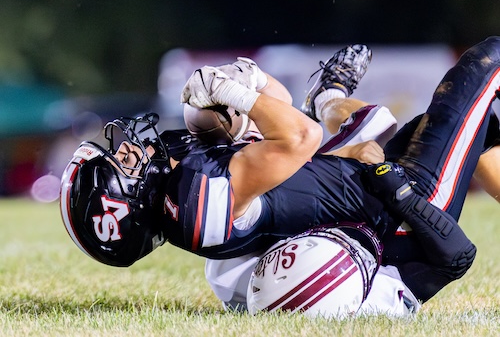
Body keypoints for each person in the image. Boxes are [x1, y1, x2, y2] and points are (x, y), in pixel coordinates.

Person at [60, 38, 500, 316]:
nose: (128, 149)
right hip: (402, 205)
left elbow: (281, 117)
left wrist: (248, 82)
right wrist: (231, 91)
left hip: (357, 192)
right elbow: (301, 135)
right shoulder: (199, 199)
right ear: (128, 200)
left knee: (480, 129)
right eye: (121, 164)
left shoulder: (182, 191)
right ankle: (327, 98)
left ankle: (326, 97)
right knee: (486, 62)